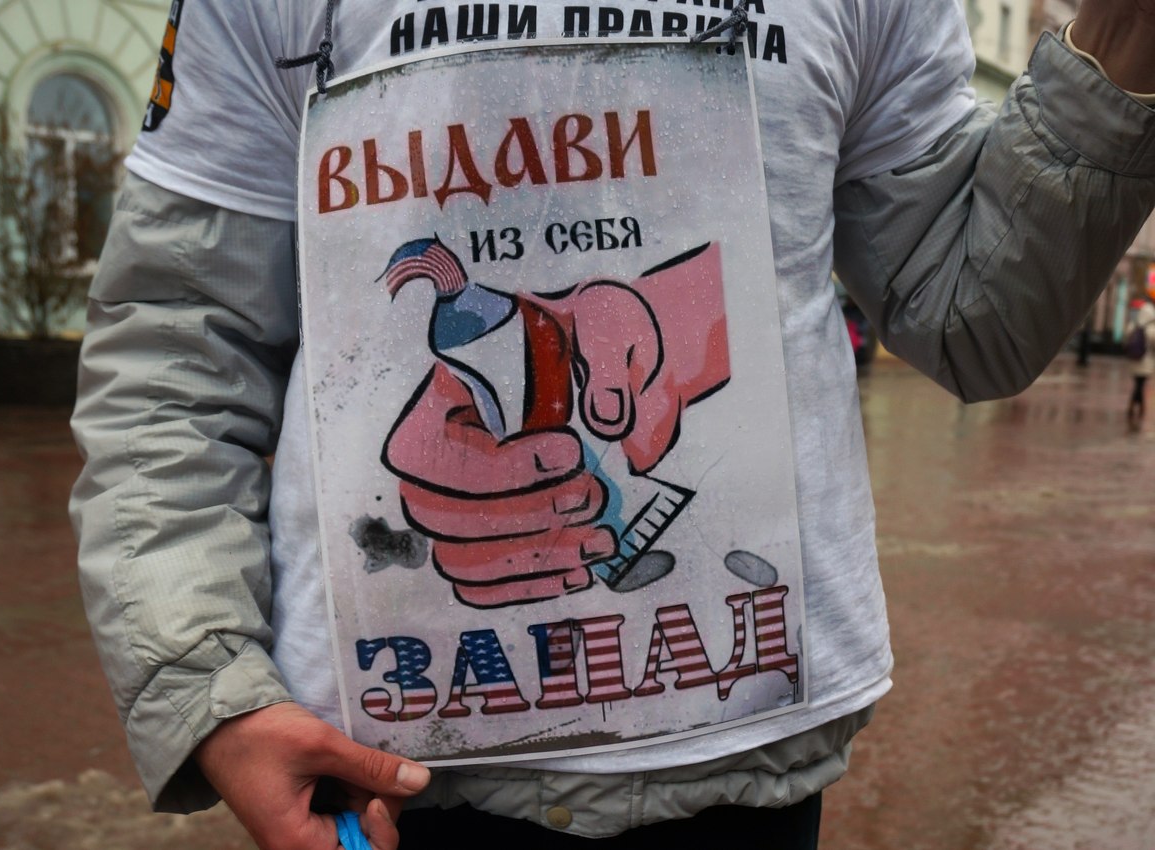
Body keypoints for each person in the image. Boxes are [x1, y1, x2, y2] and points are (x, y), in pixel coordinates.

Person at [69, 2, 1155, 848]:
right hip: (383, 786)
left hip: (748, 767)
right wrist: (208, 690)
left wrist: (1122, 43)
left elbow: (970, 319)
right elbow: (178, 341)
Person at [1127, 299, 1155, 427]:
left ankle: (1134, 405)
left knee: (1138, 383)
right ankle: (1137, 406)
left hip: (1134, 360)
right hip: (1146, 361)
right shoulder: (1151, 328)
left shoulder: (1134, 325)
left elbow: (1126, 338)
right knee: (1140, 384)